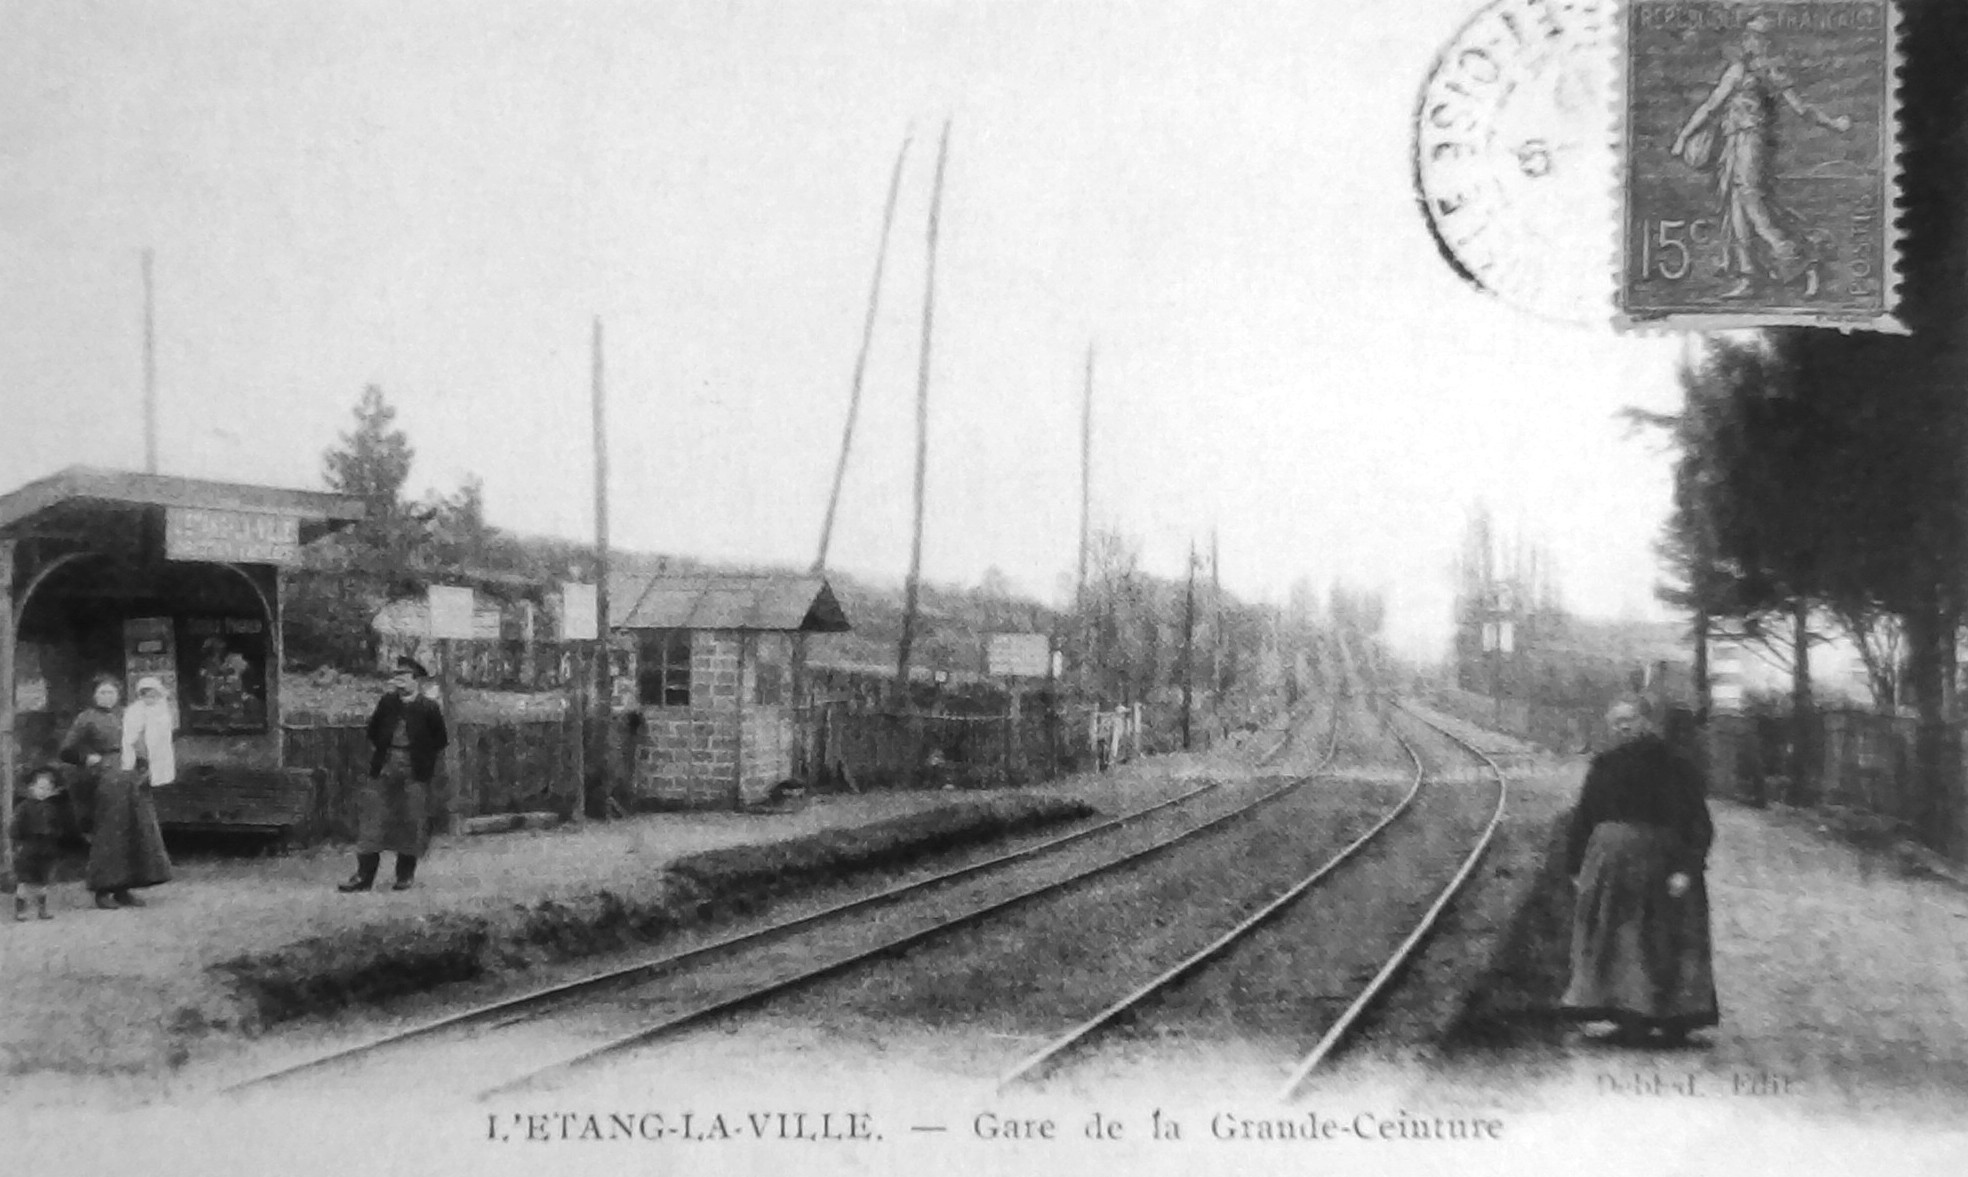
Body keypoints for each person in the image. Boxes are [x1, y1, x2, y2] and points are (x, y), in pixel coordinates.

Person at [1561, 699, 1719, 1044]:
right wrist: (1575, 865)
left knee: (1664, 942)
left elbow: (1698, 824)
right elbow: (1584, 817)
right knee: (1617, 942)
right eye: (1616, 722)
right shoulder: (1603, 766)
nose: (1623, 727)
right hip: (1610, 871)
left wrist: (1686, 870)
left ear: (1646, 721)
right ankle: (1626, 1019)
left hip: (1662, 870)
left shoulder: (1675, 765)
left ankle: (1673, 1020)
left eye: (1629, 719)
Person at [1670, 13, 1853, 299]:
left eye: (1758, 37)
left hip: (1754, 142)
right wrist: (1684, 136)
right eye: (1750, 36)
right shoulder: (1736, 71)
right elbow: (1710, 106)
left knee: (1753, 202)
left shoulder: (1772, 71)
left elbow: (1801, 109)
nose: (1752, 41)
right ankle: (1749, 276)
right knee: (1737, 208)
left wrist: (1833, 124)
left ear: (1765, 41)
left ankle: (1800, 259)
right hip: (1734, 144)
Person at [60, 675, 173, 909]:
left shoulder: (129, 714)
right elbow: (67, 750)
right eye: (102, 692)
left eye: (111, 692)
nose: (107, 697)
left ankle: (124, 889)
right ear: (94, 695)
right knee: (110, 835)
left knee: (136, 831)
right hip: (108, 780)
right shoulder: (86, 718)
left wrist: (148, 765)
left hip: (133, 778)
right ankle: (102, 890)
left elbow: (147, 738)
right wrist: (88, 757)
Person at [341, 656, 448, 892]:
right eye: (395, 677)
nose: (398, 681)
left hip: (414, 771)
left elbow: (440, 740)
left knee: (411, 821)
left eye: (404, 677)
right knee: (373, 821)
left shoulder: (429, 708)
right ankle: (364, 876)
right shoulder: (387, 703)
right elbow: (373, 731)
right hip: (385, 768)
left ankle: (404, 876)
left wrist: (421, 762)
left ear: (416, 681)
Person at [12, 765, 69, 921]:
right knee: (24, 881)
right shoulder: (24, 807)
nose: (43, 792)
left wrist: (56, 836)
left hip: (46, 848)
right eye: (40, 788)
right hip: (29, 847)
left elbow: (57, 827)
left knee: (43, 881)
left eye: (47, 789)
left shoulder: (52, 808)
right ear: (32, 788)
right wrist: (18, 842)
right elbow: (16, 826)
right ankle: (20, 910)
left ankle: (42, 909)